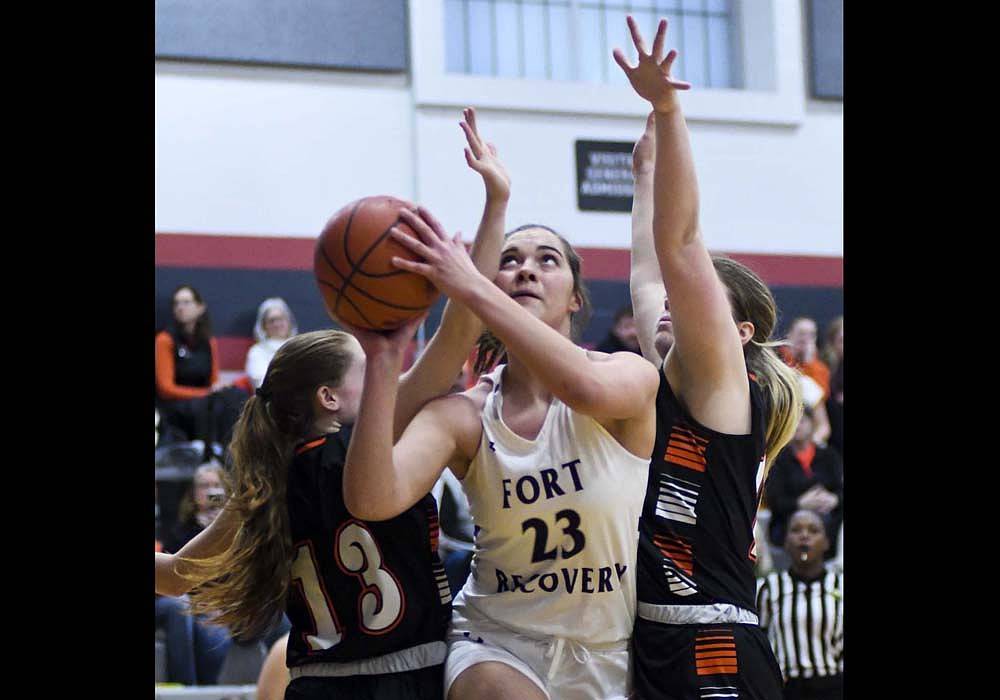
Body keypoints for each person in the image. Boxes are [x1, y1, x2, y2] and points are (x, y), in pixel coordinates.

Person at [155, 107, 506, 700]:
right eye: (367, 369)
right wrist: (496, 202)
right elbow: (461, 331)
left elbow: (174, 576)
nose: (385, 378)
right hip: (404, 676)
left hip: (315, 685)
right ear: (329, 398)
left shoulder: (263, 485)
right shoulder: (374, 436)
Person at [342, 149, 660, 696]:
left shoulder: (625, 376)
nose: (526, 269)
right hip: (496, 640)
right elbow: (371, 499)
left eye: (547, 260)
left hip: (609, 650)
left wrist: (474, 286)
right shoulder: (465, 414)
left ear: (576, 299)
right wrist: (383, 360)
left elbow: (579, 389)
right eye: (509, 260)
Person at [615, 15, 802, 699]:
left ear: (740, 332)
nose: (671, 302)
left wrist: (668, 110)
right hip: (659, 637)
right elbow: (647, 276)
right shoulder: (677, 372)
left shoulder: (724, 379)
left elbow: (681, 244)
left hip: (712, 641)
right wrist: (642, 179)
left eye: (691, 300)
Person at [155, 462, 232, 686]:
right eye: (204, 486)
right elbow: (176, 575)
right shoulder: (182, 529)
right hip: (198, 602)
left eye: (216, 485)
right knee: (212, 634)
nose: (210, 492)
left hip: (230, 598)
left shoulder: (237, 526)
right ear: (193, 494)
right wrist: (206, 532)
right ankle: (195, 691)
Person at [756, 509, 844, 699]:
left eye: (813, 531)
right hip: (785, 689)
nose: (804, 536)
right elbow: (759, 642)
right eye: (796, 530)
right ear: (785, 542)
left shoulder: (841, 586)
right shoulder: (767, 588)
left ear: (827, 542)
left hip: (834, 687)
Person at [155, 284, 249, 458]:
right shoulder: (164, 339)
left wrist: (214, 390)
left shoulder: (208, 341)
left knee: (236, 396)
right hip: (176, 406)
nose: (180, 308)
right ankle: (211, 453)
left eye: (186, 302)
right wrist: (205, 393)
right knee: (210, 404)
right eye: (177, 304)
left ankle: (233, 452)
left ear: (200, 308)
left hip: (205, 399)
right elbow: (165, 389)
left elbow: (213, 380)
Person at [763, 405, 843, 570]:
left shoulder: (829, 455)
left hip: (830, 518)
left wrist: (834, 499)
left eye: (803, 421)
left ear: (812, 424)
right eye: (794, 422)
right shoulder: (777, 459)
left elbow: (839, 489)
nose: (798, 426)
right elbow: (775, 500)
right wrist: (800, 503)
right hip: (788, 519)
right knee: (801, 526)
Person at [245, 297, 299, 390]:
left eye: (281, 319)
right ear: (263, 326)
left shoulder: (300, 347)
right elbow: (260, 382)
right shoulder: (257, 352)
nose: (277, 324)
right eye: (272, 320)